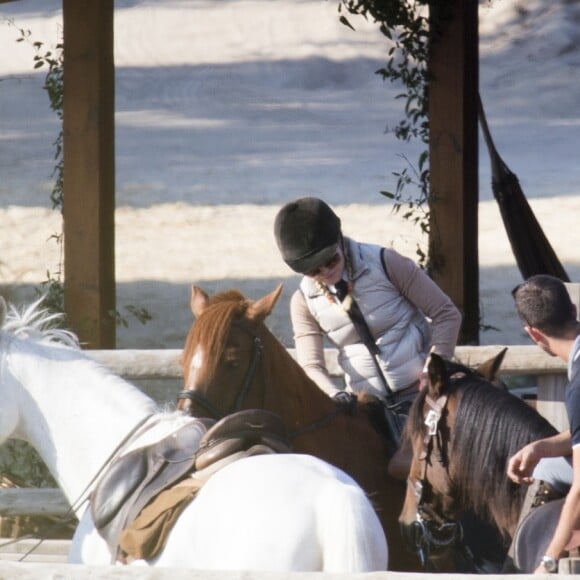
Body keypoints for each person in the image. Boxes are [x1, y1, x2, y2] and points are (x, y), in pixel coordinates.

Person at [273, 196, 462, 478]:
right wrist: (335, 395)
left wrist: (433, 368)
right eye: (314, 270)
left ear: (339, 239)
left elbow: (446, 313)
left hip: (421, 393)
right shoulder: (303, 301)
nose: (326, 272)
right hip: (368, 408)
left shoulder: (387, 263)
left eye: (330, 260)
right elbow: (311, 366)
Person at [508, 274, 580, 574]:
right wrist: (543, 446)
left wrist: (548, 560)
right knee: (545, 464)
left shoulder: (577, 387)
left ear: (534, 334)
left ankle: (518, 563)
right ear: (574, 310)